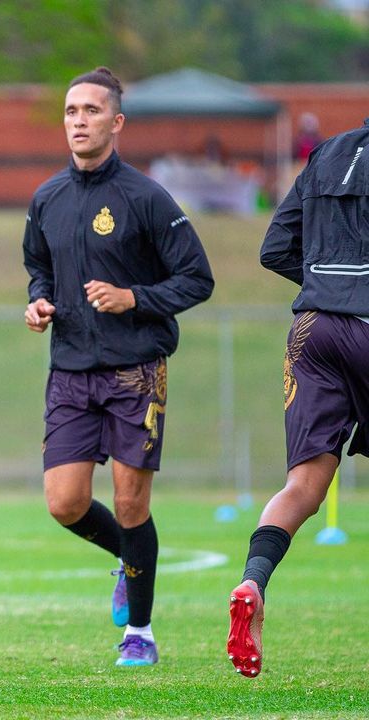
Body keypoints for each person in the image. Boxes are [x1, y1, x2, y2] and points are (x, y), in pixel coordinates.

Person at [22, 67, 214, 667]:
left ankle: (141, 632)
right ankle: (126, 559)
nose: (79, 121)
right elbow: (38, 267)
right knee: (65, 503)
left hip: (136, 371)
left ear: (117, 122)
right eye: (71, 111)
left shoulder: (147, 198)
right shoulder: (47, 198)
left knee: (132, 504)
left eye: (91, 111)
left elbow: (197, 279)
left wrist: (134, 298)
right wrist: (38, 301)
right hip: (71, 371)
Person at [227, 118, 369, 679]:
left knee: (304, 484)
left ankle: (253, 581)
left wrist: (324, 284)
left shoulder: (326, 153)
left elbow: (274, 249)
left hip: (313, 328)